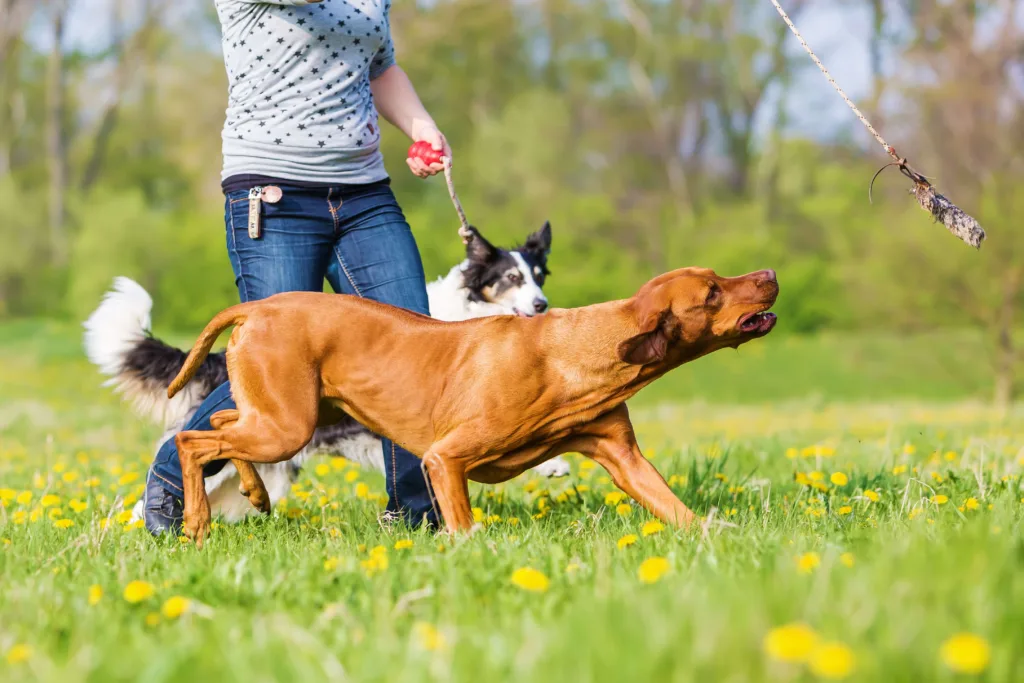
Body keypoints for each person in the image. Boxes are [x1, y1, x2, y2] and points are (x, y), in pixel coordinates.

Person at [142, 0, 446, 534]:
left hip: (365, 194)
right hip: (273, 192)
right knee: (275, 363)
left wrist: (422, 126)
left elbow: (378, 65)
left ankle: (416, 514)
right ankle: (172, 477)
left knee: (415, 353)